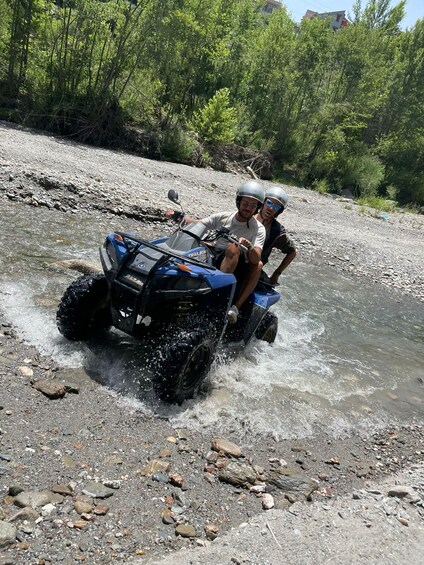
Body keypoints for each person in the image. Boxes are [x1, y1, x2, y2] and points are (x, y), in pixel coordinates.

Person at [166, 180, 266, 324]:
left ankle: (226, 302)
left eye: (253, 205)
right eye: (245, 203)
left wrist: (249, 247)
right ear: (239, 201)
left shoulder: (258, 228)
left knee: (234, 247)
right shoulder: (224, 217)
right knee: (193, 248)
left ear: (257, 208)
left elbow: (256, 258)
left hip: (239, 264)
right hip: (215, 253)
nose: (248, 208)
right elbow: (200, 223)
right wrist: (178, 217)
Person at [255, 186, 296, 286]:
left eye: (276, 207)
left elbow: (292, 252)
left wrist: (277, 273)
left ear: (279, 211)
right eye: (269, 203)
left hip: (254, 267)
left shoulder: (277, 231)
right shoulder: (247, 216)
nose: (271, 208)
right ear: (263, 202)